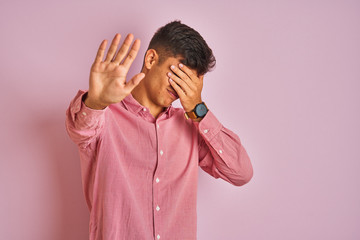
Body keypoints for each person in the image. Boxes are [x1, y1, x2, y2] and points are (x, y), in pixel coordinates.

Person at [65, 20, 253, 240]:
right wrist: (96, 102)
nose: (179, 87)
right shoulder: (105, 115)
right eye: (178, 74)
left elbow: (241, 173)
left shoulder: (191, 126)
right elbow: (80, 129)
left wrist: (198, 109)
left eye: (189, 80)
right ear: (151, 59)